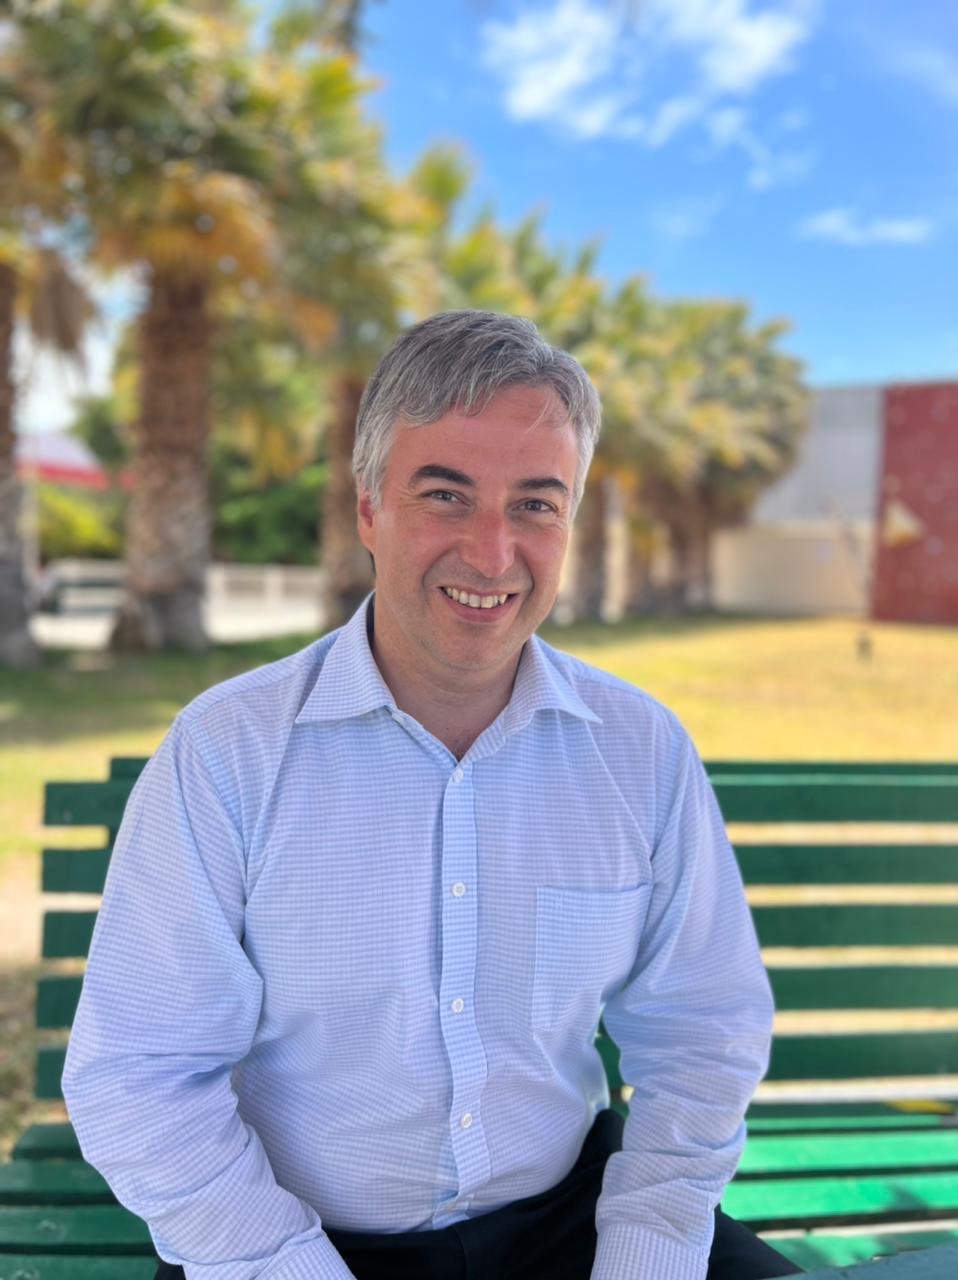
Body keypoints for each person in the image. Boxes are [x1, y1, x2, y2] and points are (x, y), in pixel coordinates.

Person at [62, 311, 798, 1280]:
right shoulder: (228, 751)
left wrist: (643, 1257)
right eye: (446, 494)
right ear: (368, 509)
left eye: (535, 504)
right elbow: (140, 1075)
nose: (492, 553)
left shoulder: (639, 750)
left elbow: (702, 1030)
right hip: (291, 1245)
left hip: (572, 1225)